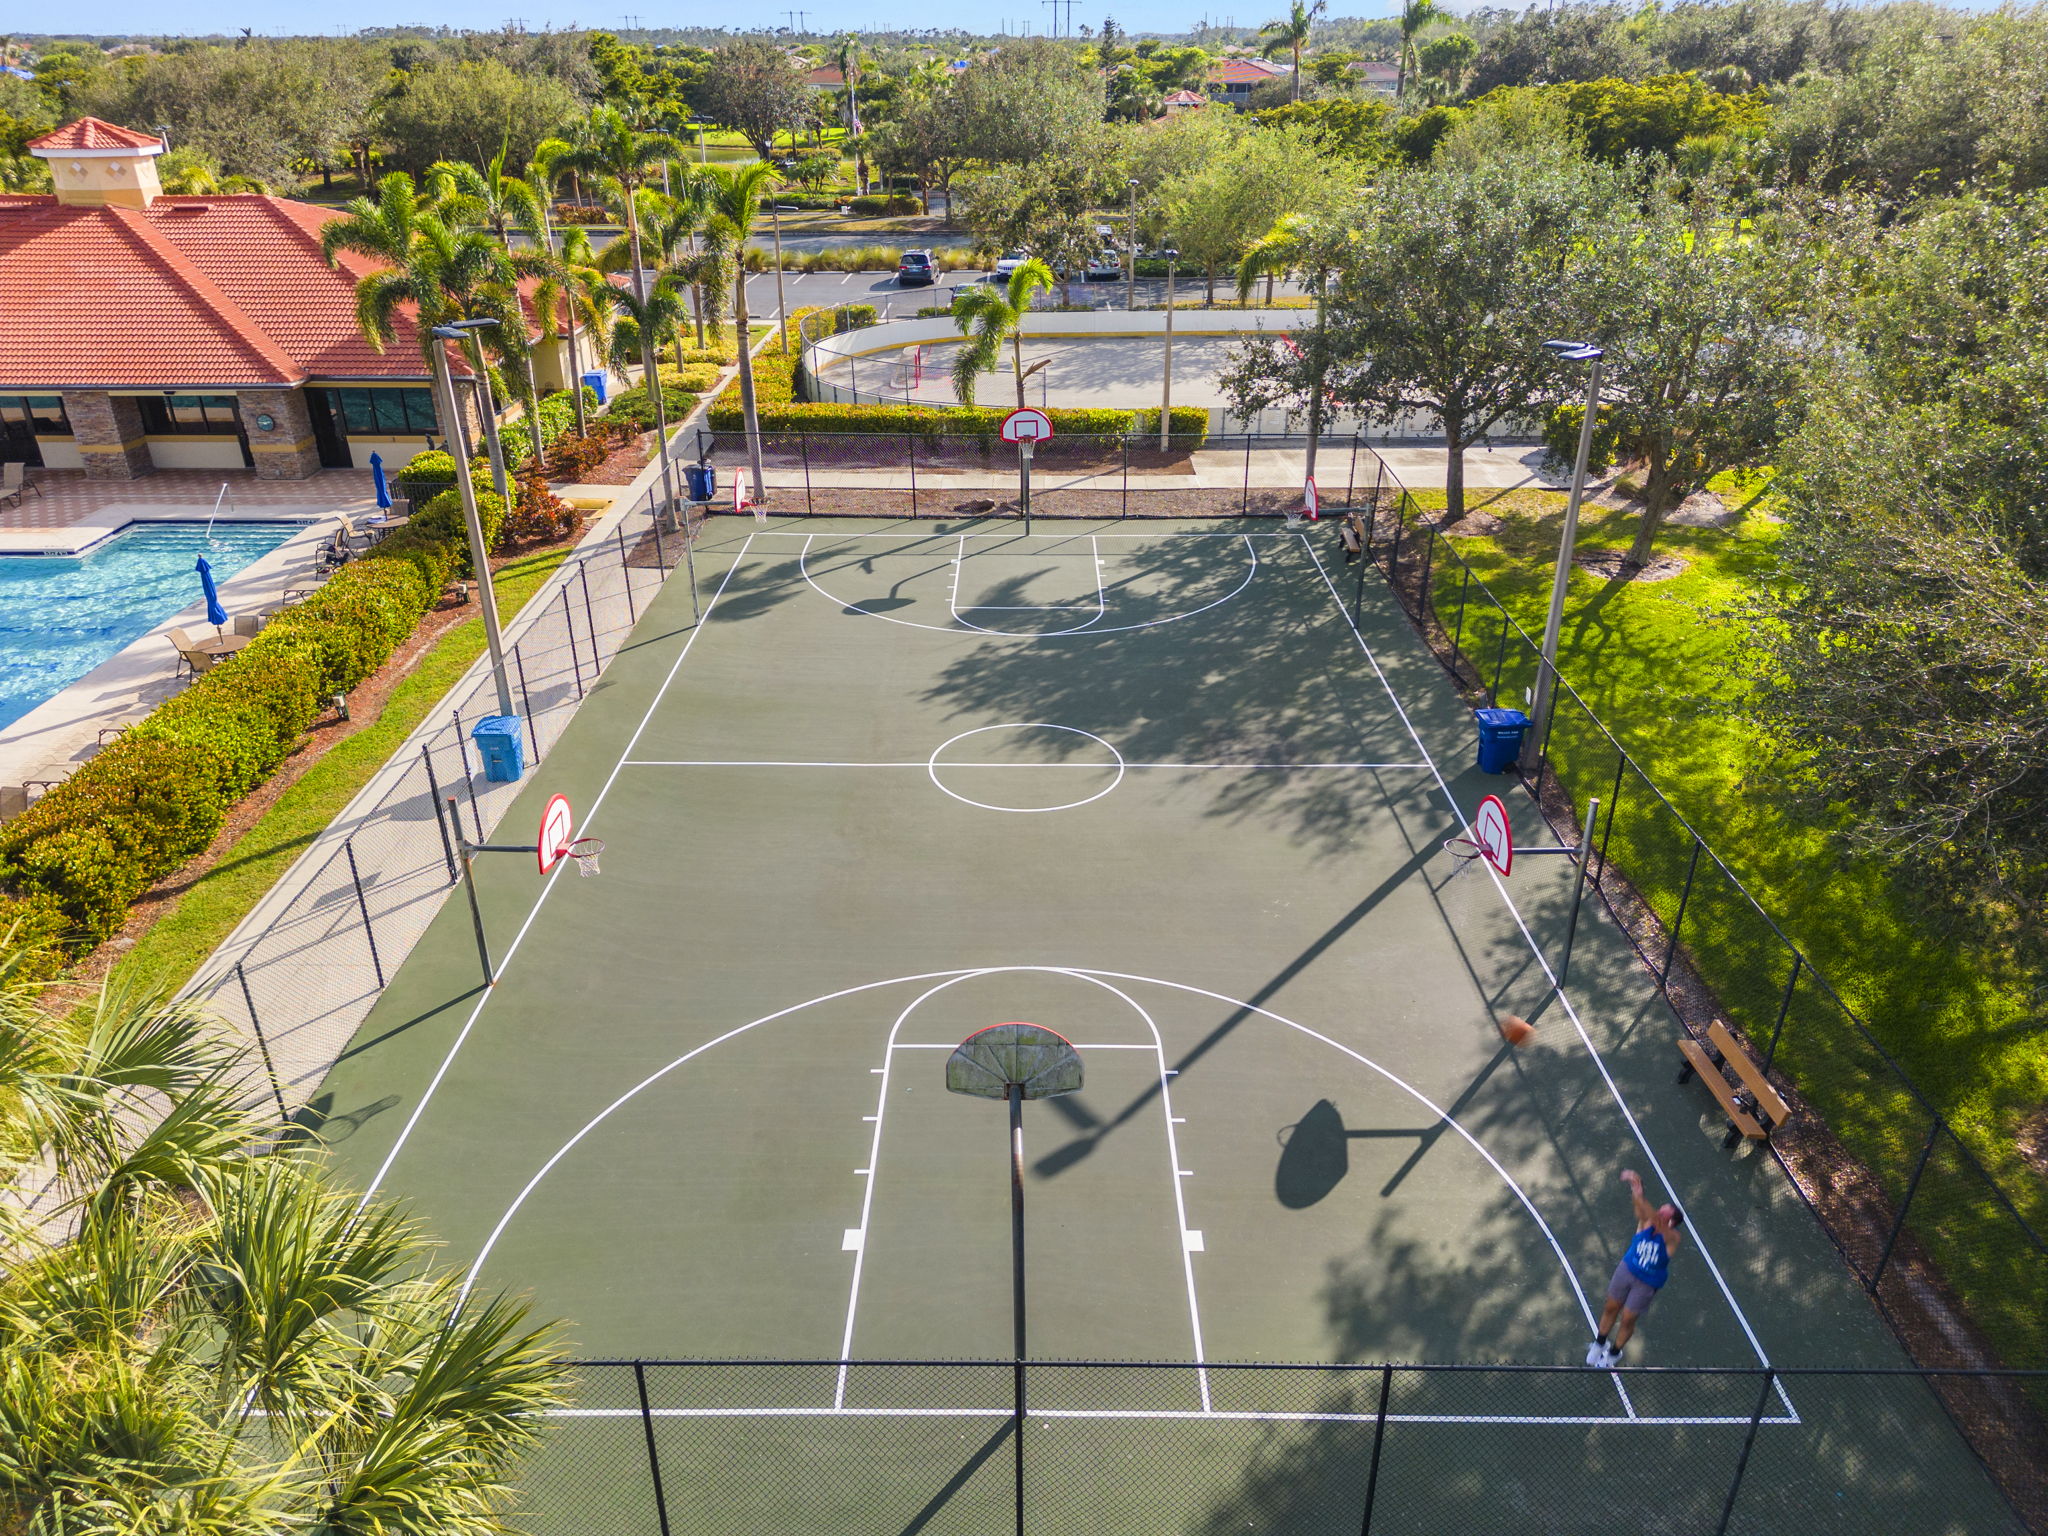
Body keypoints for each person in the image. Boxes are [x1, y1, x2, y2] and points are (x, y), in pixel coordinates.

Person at [1586, 1168, 1684, 1367]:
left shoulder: (1672, 1237)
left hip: (1647, 1282)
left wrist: (1640, 1193)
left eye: (1664, 1212)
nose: (1659, 1211)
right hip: (1627, 1269)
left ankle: (1614, 1354)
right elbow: (1641, 1211)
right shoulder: (1647, 1222)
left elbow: (1653, 1217)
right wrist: (1636, 1191)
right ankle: (1600, 1343)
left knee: (1628, 1319)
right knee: (1611, 1307)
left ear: (1671, 1222)